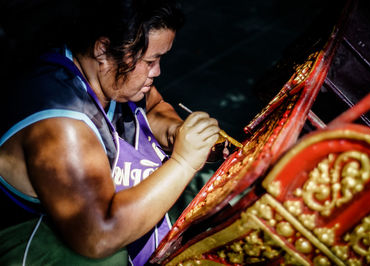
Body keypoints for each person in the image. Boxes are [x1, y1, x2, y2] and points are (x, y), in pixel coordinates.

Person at [0, 0, 221, 265]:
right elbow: (98, 236)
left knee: (208, 188)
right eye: (151, 60)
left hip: (93, 215)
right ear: (103, 49)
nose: (158, 71)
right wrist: (183, 161)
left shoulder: (111, 75)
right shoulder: (62, 125)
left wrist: (176, 132)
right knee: (109, 259)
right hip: (27, 234)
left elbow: (155, 106)